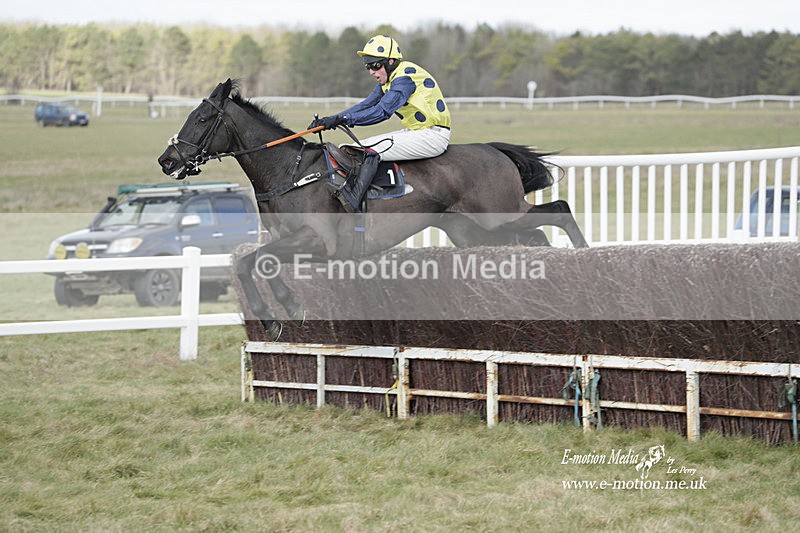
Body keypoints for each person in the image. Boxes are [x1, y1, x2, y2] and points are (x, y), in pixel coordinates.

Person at [309, 35, 451, 212]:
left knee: (370, 150)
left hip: (433, 136)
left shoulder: (404, 79)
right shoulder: (389, 80)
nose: (371, 71)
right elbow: (366, 105)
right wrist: (330, 120)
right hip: (417, 132)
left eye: (375, 65)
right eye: (368, 66)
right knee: (352, 147)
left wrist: (342, 120)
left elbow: (382, 112)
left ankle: (353, 200)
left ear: (391, 62)